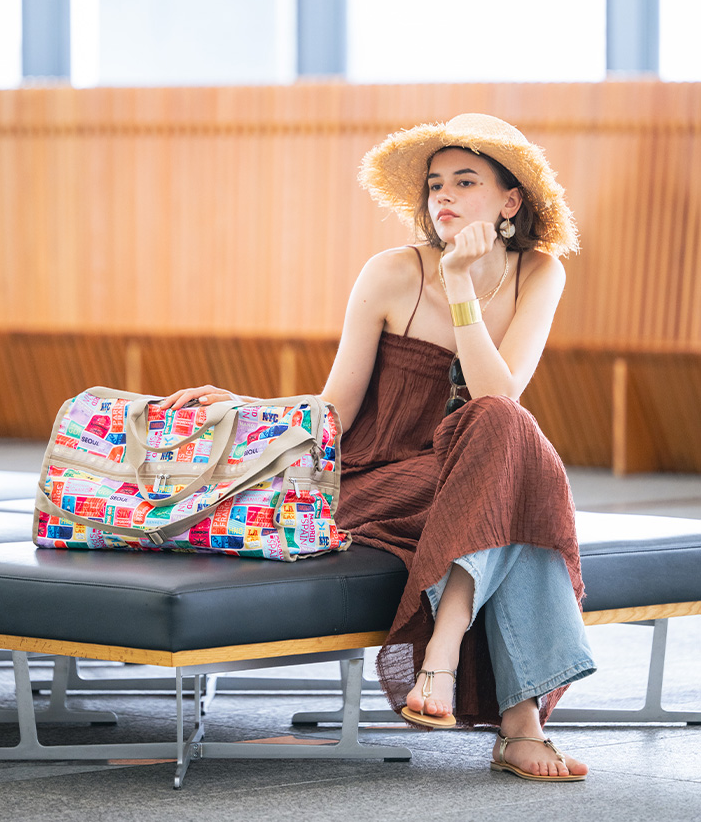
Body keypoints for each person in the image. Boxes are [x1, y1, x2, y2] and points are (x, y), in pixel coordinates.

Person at [161, 113, 597, 782]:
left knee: (503, 432)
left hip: (470, 476)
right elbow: (335, 409)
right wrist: (247, 408)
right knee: (520, 481)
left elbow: (498, 392)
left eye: (466, 182)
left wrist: (460, 286)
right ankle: (520, 727)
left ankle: (443, 652)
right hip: (379, 477)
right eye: (435, 184)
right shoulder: (391, 272)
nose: (444, 196)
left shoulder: (540, 272)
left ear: (510, 202)